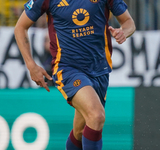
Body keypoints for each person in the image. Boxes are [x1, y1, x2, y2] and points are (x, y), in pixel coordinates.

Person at [14, 0, 136, 149]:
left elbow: (129, 22)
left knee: (80, 132)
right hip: (68, 69)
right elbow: (20, 27)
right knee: (96, 115)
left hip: (100, 70)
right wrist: (31, 65)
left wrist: (124, 31)